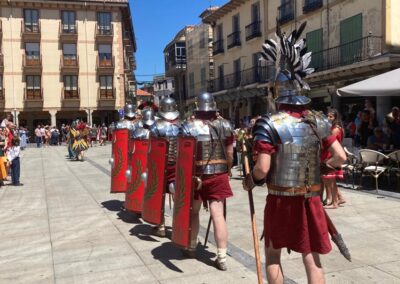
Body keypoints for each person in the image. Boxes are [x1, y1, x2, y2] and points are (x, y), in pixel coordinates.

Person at [243, 22, 346, 283]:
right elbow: (341, 157)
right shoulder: (319, 119)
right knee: (312, 258)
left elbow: (263, 169)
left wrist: (251, 181)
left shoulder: (268, 123)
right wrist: (323, 169)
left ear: (277, 92)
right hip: (311, 198)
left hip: (280, 198)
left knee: (273, 255)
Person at [182, 92, 234, 271]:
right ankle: (221, 257)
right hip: (218, 174)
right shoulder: (225, 124)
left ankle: (191, 246)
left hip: (196, 175)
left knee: (194, 212)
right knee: (218, 215)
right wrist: (227, 169)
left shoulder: (188, 126)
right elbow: (229, 154)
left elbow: (184, 155)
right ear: (214, 105)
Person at [148, 97, 182, 238]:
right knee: (178, 195)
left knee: (158, 194)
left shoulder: (156, 126)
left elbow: (152, 150)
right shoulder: (182, 125)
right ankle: (179, 224)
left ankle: (160, 225)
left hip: (161, 165)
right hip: (179, 164)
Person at [321, 109, 346, 209]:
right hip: (329, 155)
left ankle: (335, 202)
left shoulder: (335, 128)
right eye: (327, 116)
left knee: (330, 180)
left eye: (331, 116)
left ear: (335, 118)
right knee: (329, 180)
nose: (328, 118)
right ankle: (336, 199)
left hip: (332, 156)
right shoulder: (331, 127)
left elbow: (328, 141)